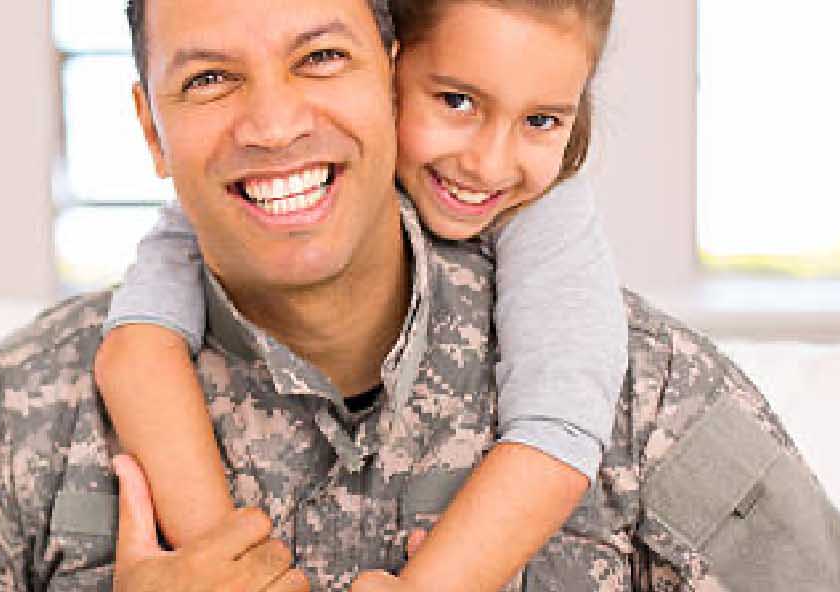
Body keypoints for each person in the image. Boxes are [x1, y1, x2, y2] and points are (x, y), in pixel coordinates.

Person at [0, 0, 840, 589]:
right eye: (210, 78)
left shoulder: (641, 399)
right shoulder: (20, 422)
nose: (272, 125)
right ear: (148, 129)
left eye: (318, 57)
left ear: (391, 65)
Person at [97, 0, 622, 587]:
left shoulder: (550, 210)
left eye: (544, 120)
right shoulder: (217, 209)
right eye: (454, 101)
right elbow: (135, 353)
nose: (489, 163)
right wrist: (225, 567)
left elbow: (562, 425)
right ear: (394, 80)